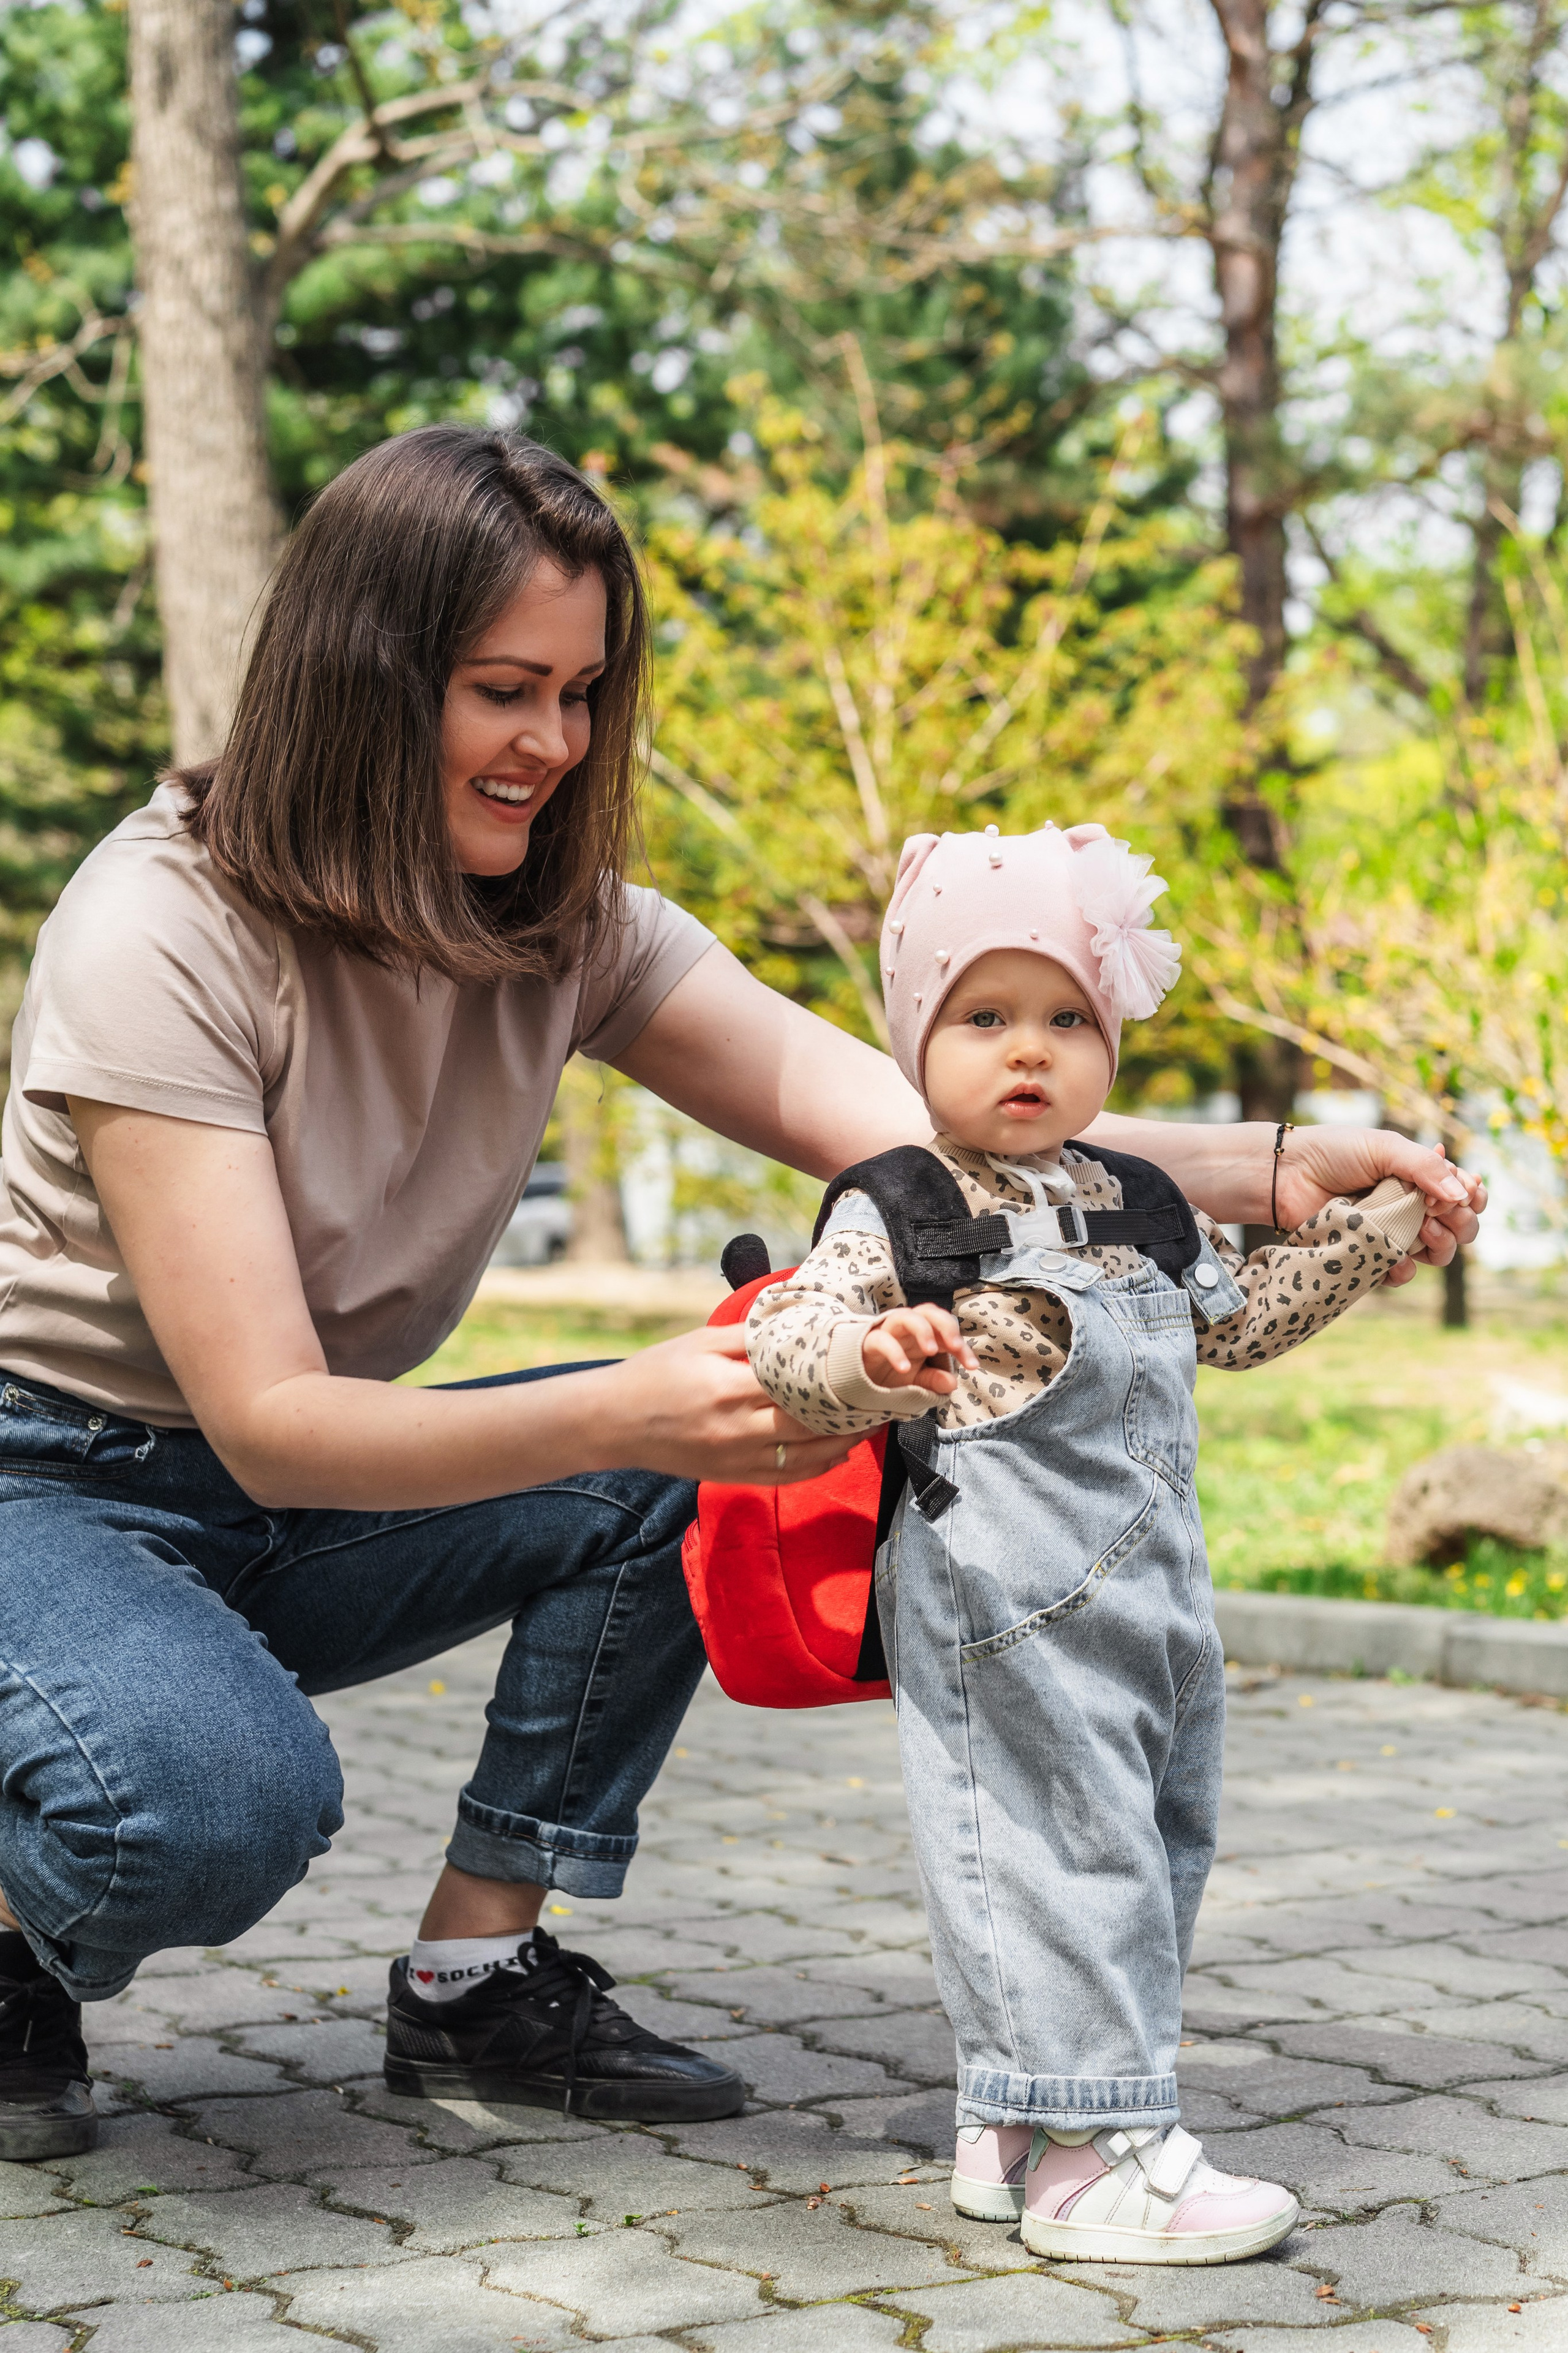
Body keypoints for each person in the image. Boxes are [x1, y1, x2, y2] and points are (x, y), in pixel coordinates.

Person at [0, 429, 1479, 2167]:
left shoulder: (559, 923)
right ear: (364, 674)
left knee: (712, 1450)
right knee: (202, 1812)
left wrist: (1261, 1165)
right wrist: (635, 1399)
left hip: (296, 1494)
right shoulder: (158, 930)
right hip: (53, 1483)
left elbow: (907, 1118)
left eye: (582, 692)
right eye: (503, 690)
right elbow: (265, 1412)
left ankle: (477, 1976)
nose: (552, 744)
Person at [746, 820, 1457, 2265]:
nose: (1032, 1049)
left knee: (1149, 1837)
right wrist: (872, 1356)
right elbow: (786, 1334)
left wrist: (1375, 1236)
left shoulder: (1134, 1198)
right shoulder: (898, 1207)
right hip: (993, 1589)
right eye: (985, 1016)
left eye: (1069, 1017)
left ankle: (1010, 2114)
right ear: (913, 1038)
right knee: (1065, 1849)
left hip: (1150, 1595)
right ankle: (1096, 2155)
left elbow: (1237, 1319)